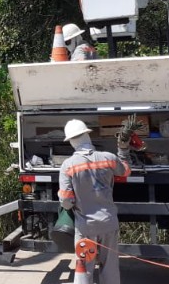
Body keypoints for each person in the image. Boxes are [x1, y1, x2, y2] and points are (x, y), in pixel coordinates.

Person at [57, 119, 131, 284]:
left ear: (71, 141)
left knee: (83, 269)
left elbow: (66, 201)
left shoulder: (68, 166)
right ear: (87, 135)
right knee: (110, 269)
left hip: (85, 227)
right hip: (109, 223)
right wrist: (123, 150)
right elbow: (126, 171)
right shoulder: (108, 158)